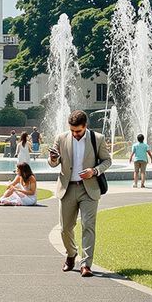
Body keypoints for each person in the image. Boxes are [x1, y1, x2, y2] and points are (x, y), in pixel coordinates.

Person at [47, 109, 111, 277]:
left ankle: (86, 264)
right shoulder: (61, 138)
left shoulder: (97, 139)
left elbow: (107, 160)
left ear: (85, 126)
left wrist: (95, 171)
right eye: (72, 130)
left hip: (89, 189)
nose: (75, 134)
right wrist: (53, 159)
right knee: (65, 228)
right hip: (67, 188)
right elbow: (53, 163)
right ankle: (71, 254)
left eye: (78, 131)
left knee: (88, 226)